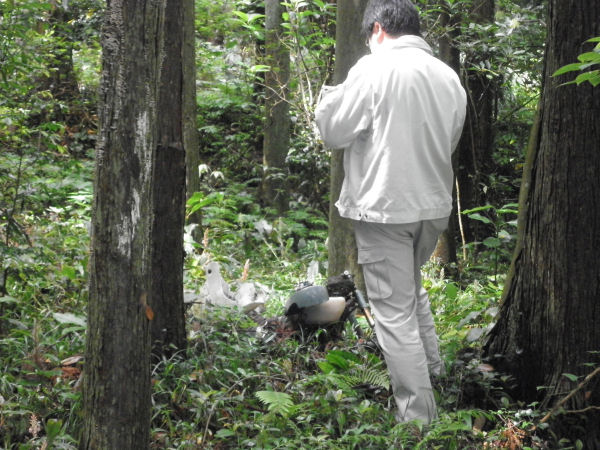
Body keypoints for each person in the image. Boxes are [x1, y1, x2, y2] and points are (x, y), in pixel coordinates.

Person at [315, 0, 466, 424]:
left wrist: (329, 100)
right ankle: (436, 375)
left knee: (394, 314)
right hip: (431, 206)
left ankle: (418, 420)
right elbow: (450, 139)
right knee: (411, 292)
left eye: (369, 36)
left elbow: (333, 131)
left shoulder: (374, 68)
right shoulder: (447, 77)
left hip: (385, 209)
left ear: (378, 29)